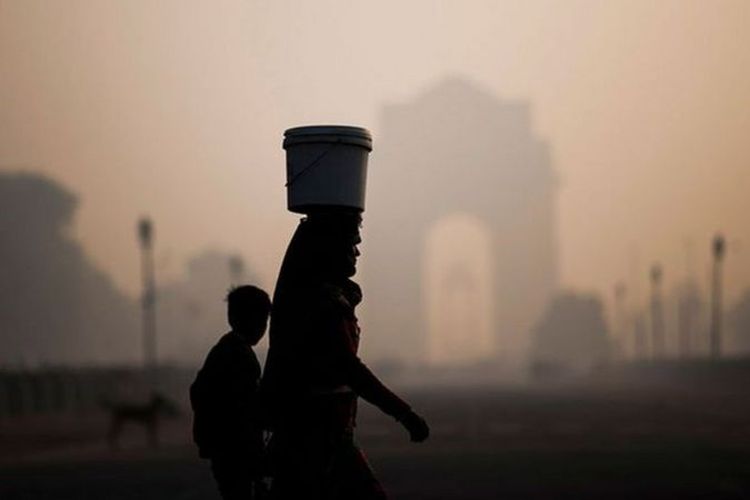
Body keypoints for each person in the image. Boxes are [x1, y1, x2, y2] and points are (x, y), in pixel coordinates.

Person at [262, 210, 429, 500]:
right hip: (314, 440)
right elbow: (350, 369)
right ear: (331, 249)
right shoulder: (323, 305)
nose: (357, 251)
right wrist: (403, 413)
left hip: (324, 438)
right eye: (351, 244)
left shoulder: (322, 298)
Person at [190, 285, 272, 500]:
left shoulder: (225, 349)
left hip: (223, 448)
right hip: (235, 449)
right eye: (263, 320)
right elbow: (245, 409)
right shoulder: (240, 355)